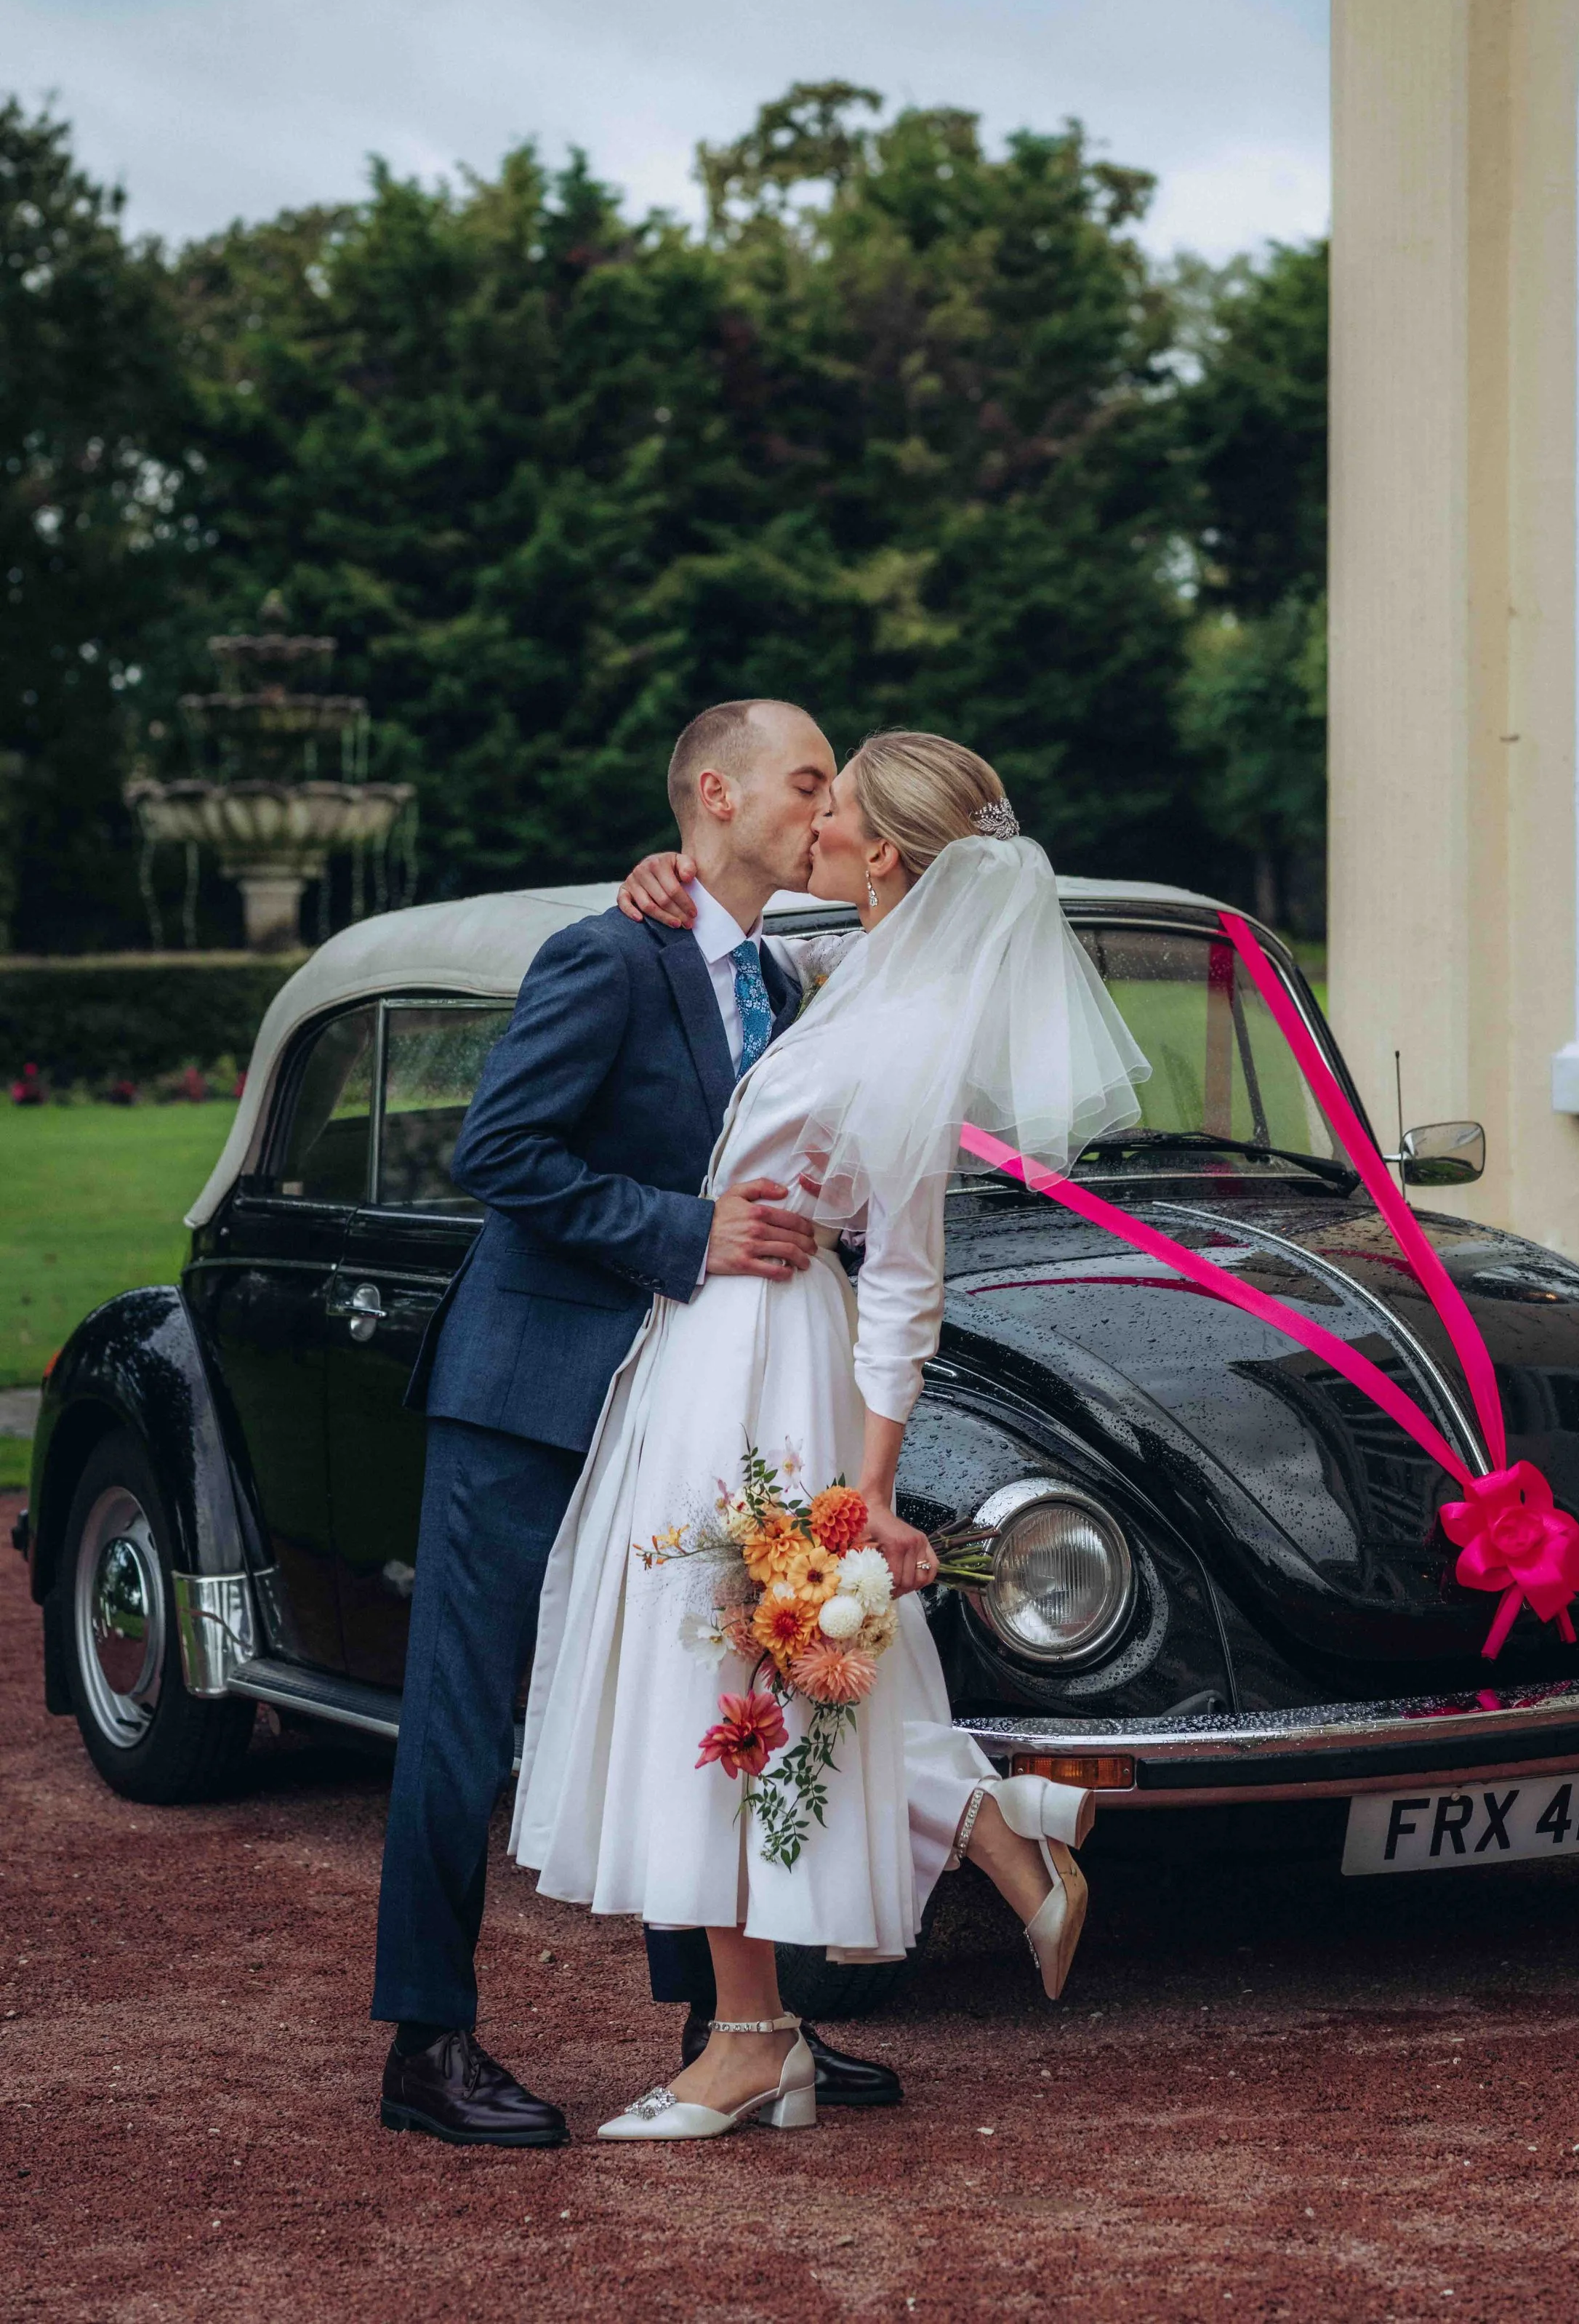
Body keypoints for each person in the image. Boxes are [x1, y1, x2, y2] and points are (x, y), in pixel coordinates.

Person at [511, 730, 1149, 2140]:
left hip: (758, 1361)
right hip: (719, 1345)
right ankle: (981, 1843)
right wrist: (657, 870)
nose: (816, 823)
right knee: (774, 1659)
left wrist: (869, 1481)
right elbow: (731, 976)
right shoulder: (852, 978)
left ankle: (755, 2034)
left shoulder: (907, 1026)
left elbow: (906, 1266)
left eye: (838, 806)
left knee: (740, 1665)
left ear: (887, 856)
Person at [372, 697, 902, 2145]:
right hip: (533, 1396)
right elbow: (500, 1153)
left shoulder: (785, 985)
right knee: (465, 1719)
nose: (823, 808)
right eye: (805, 782)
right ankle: (427, 2044)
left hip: (686, 1413)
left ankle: (734, 2031)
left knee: (704, 1698)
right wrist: (686, 1230)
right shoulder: (606, 954)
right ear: (714, 796)